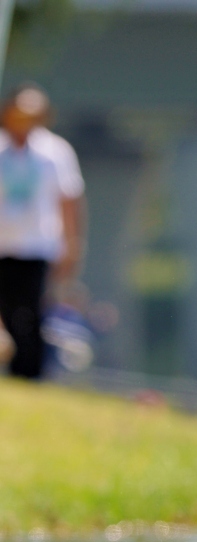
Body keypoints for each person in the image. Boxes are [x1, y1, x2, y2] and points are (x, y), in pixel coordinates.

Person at [0, 84, 85, 379]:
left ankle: (28, 374)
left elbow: (69, 201)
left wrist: (72, 245)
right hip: (2, 243)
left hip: (38, 246)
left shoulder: (55, 151)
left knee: (29, 315)